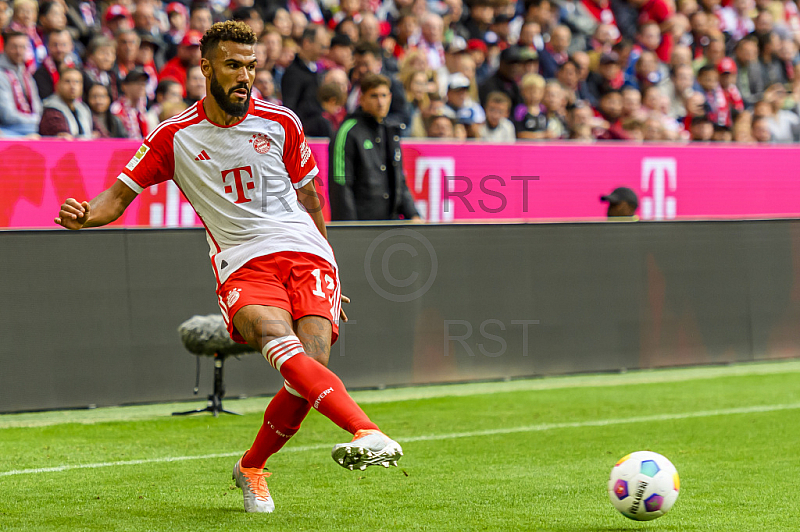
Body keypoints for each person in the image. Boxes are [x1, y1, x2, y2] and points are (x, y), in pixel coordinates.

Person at [53, 20, 402, 515]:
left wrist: (333, 265)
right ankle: (367, 430)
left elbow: (311, 197)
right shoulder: (174, 136)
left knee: (312, 366)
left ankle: (252, 467)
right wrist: (84, 215)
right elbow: (114, 201)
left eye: (252, 66)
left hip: (307, 253)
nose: (245, 76)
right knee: (269, 331)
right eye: (234, 65)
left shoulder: (282, 122)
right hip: (242, 260)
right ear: (206, 67)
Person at [328, 73, 421, 222]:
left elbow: (399, 181)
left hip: (388, 223)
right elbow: (340, 183)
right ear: (362, 99)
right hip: (361, 225)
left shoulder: (391, 131)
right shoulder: (347, 131)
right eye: (374, 96)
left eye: (384, 96)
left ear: (390, 97)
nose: (380, 102)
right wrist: (347, 228)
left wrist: (414, 214)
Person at [0, 30, 42, 136]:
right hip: (7, 129)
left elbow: (37, 106)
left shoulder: (26, 73)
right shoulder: (1, 74)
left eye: (23, 47)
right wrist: (36, 120)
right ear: (4, 48)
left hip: (31, 127)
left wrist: (39, 119)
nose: (19, 51)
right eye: (14, 47)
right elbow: (7, 115)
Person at [38, 66, 92, 138]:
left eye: (77, 82)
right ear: (58, 85)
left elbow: (100, 133)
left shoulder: (83, 108)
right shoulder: (51, 109)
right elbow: (64, 136)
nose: (73, 86)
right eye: (67, 81)